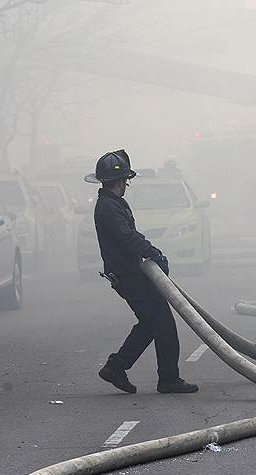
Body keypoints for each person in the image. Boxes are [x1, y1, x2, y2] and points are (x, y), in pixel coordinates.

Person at [85, 149, 199, 394]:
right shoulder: (109, 207)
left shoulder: (112, 203)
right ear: (120, 180)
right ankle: (127, 369)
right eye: (125, 180)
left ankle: (148, 373)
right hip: (128, 276)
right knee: (158, 322)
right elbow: (127, 238)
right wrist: (153, 252)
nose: (126, 184)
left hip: (132, 274)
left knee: (156, 323)